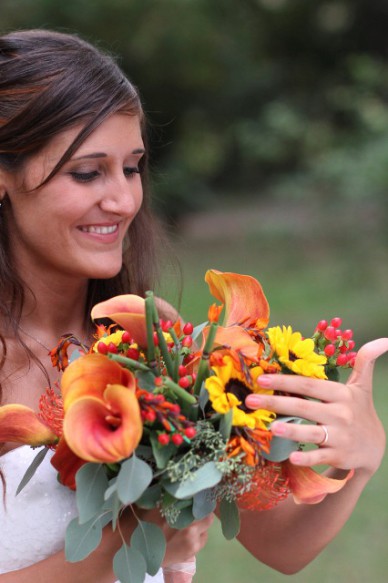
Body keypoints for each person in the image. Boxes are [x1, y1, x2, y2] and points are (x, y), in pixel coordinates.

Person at [0, 27, 387, 583]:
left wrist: (360, 458)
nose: (123, 199)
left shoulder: (157, 343)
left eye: (132, 167)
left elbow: (280, 546)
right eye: (87, 172)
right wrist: (128, 538)